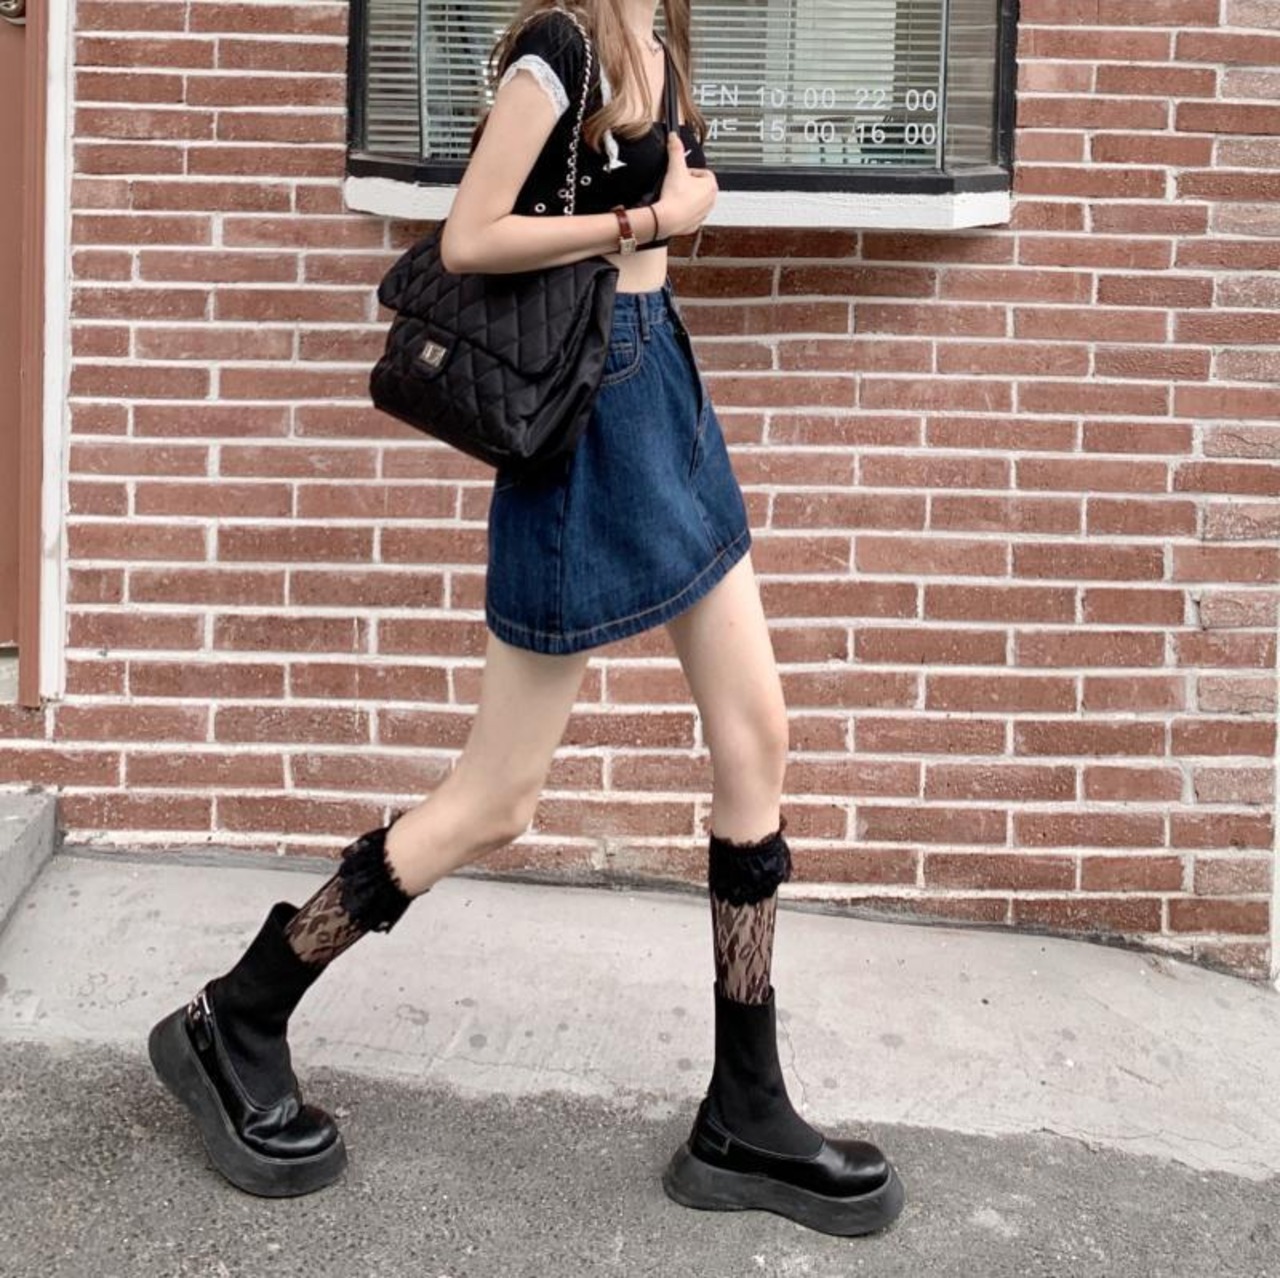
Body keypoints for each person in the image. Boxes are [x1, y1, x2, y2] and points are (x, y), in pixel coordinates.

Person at [147, 0, 905, 1238]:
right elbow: (469, 236)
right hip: (583, 420)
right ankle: (238, 1012)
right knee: (498, 795)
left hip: (661, 390)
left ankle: (746, 1111)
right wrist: (651, 219)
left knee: (755, 737)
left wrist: (680, 198)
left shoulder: (658, 31)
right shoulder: (560, 45)